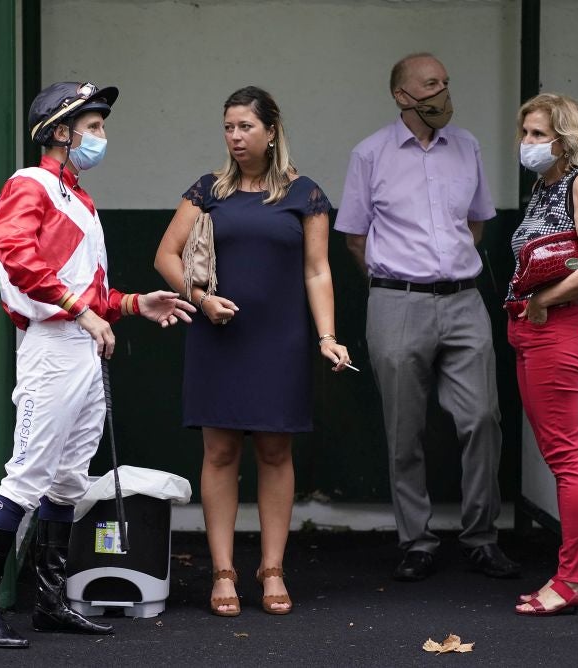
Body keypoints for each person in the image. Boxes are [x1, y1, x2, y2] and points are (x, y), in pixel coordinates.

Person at [0, 81, 195, 649]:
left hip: (85, 344)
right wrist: (82, 313)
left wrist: (137, 304)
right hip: (51, 344)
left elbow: (90, 293)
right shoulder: (30, 184)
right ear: (60, 132)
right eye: (93, 127)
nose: (101, 137)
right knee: (28, 477)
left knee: (67, 481)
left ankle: (49, 602)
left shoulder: (80, 199)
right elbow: (17, 257)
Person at [154, 86, 351, 617]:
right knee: (219, 453)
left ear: (271, 131)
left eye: (245, 127)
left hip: (280, 340)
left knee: (274, 452)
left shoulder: (303, 193)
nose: (235, 137)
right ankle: (223, 572)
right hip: (217, 337)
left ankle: (272, 569)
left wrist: (327, 337)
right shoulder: (208, 189)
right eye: (228, 127)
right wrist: (200, 299)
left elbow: (318, 270)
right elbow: (166, 254)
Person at [335, 53, 518, 582]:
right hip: (397, 301)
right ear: (402, 95)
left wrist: (445, 272)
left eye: (445, 81)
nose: (442, 91)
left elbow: (478, 225)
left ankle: (481, 537)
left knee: (482, 417)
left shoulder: (468, 146)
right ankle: (416, 540)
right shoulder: (370, 154)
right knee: (404, 429)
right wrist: (397, 282)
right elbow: (354, 237)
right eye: (431, 83)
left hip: (464, 299)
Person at [505, 94, 578, 615]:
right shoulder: (541, 187)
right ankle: (569, 575)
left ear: (565, 139)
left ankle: (574, 580)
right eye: (524, 133)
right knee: (558, 455)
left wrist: (544, 301)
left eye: (536, 135)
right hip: (530, 329)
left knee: (568, 458)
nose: (526, 144)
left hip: (558, 328)